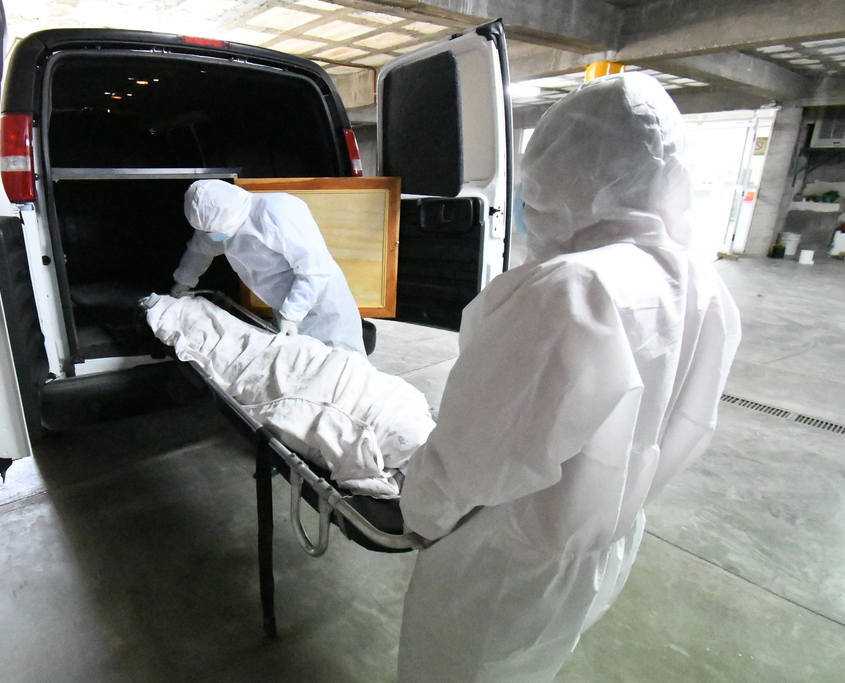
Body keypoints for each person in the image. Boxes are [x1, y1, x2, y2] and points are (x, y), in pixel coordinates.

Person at [396, 73, 741, 683]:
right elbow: (689, 422)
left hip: (501, 562)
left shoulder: (570, 289)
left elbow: (478, 452)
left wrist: (419, 513)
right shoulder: (704, 287)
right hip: (600, 548)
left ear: (567, 175)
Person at [170, 180, 365, 354]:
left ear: (231, 213)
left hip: (322, 301)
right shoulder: (215, 223)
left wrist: (291, 314)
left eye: (218, 231)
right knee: (301, 364)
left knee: (342, 361)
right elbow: (199, 250)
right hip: (285, 303)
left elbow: (314, 269)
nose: (214, 235)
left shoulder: (276, 211)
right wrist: (183, 281)